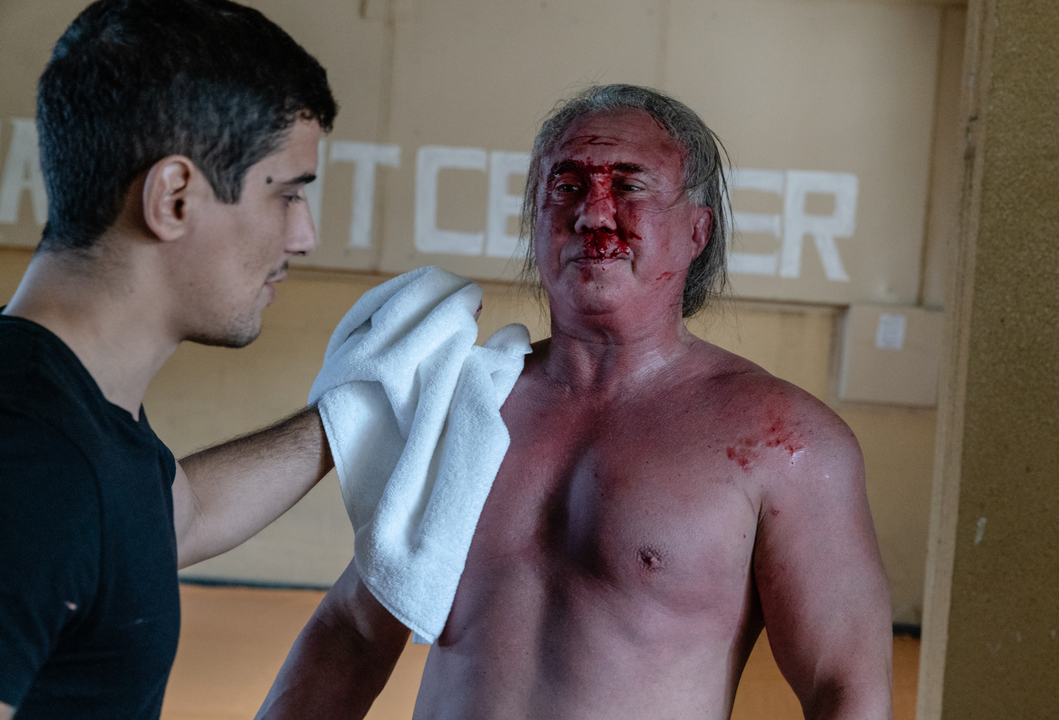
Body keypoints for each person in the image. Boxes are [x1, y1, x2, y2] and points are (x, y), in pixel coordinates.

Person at [259, 84, 893, 720]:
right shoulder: (468, 404)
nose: (593, 215)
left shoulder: (783, 441)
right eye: (566, 187)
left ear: (697, 231)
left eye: (629, 186)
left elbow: (844, 686)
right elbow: (354, 632)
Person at [0, 1, 340, 717]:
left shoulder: (71, 410)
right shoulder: (31, 458)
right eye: (287, 195)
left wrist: (355, 411)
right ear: (175, 197)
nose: (304, 236)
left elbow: (174, 519)